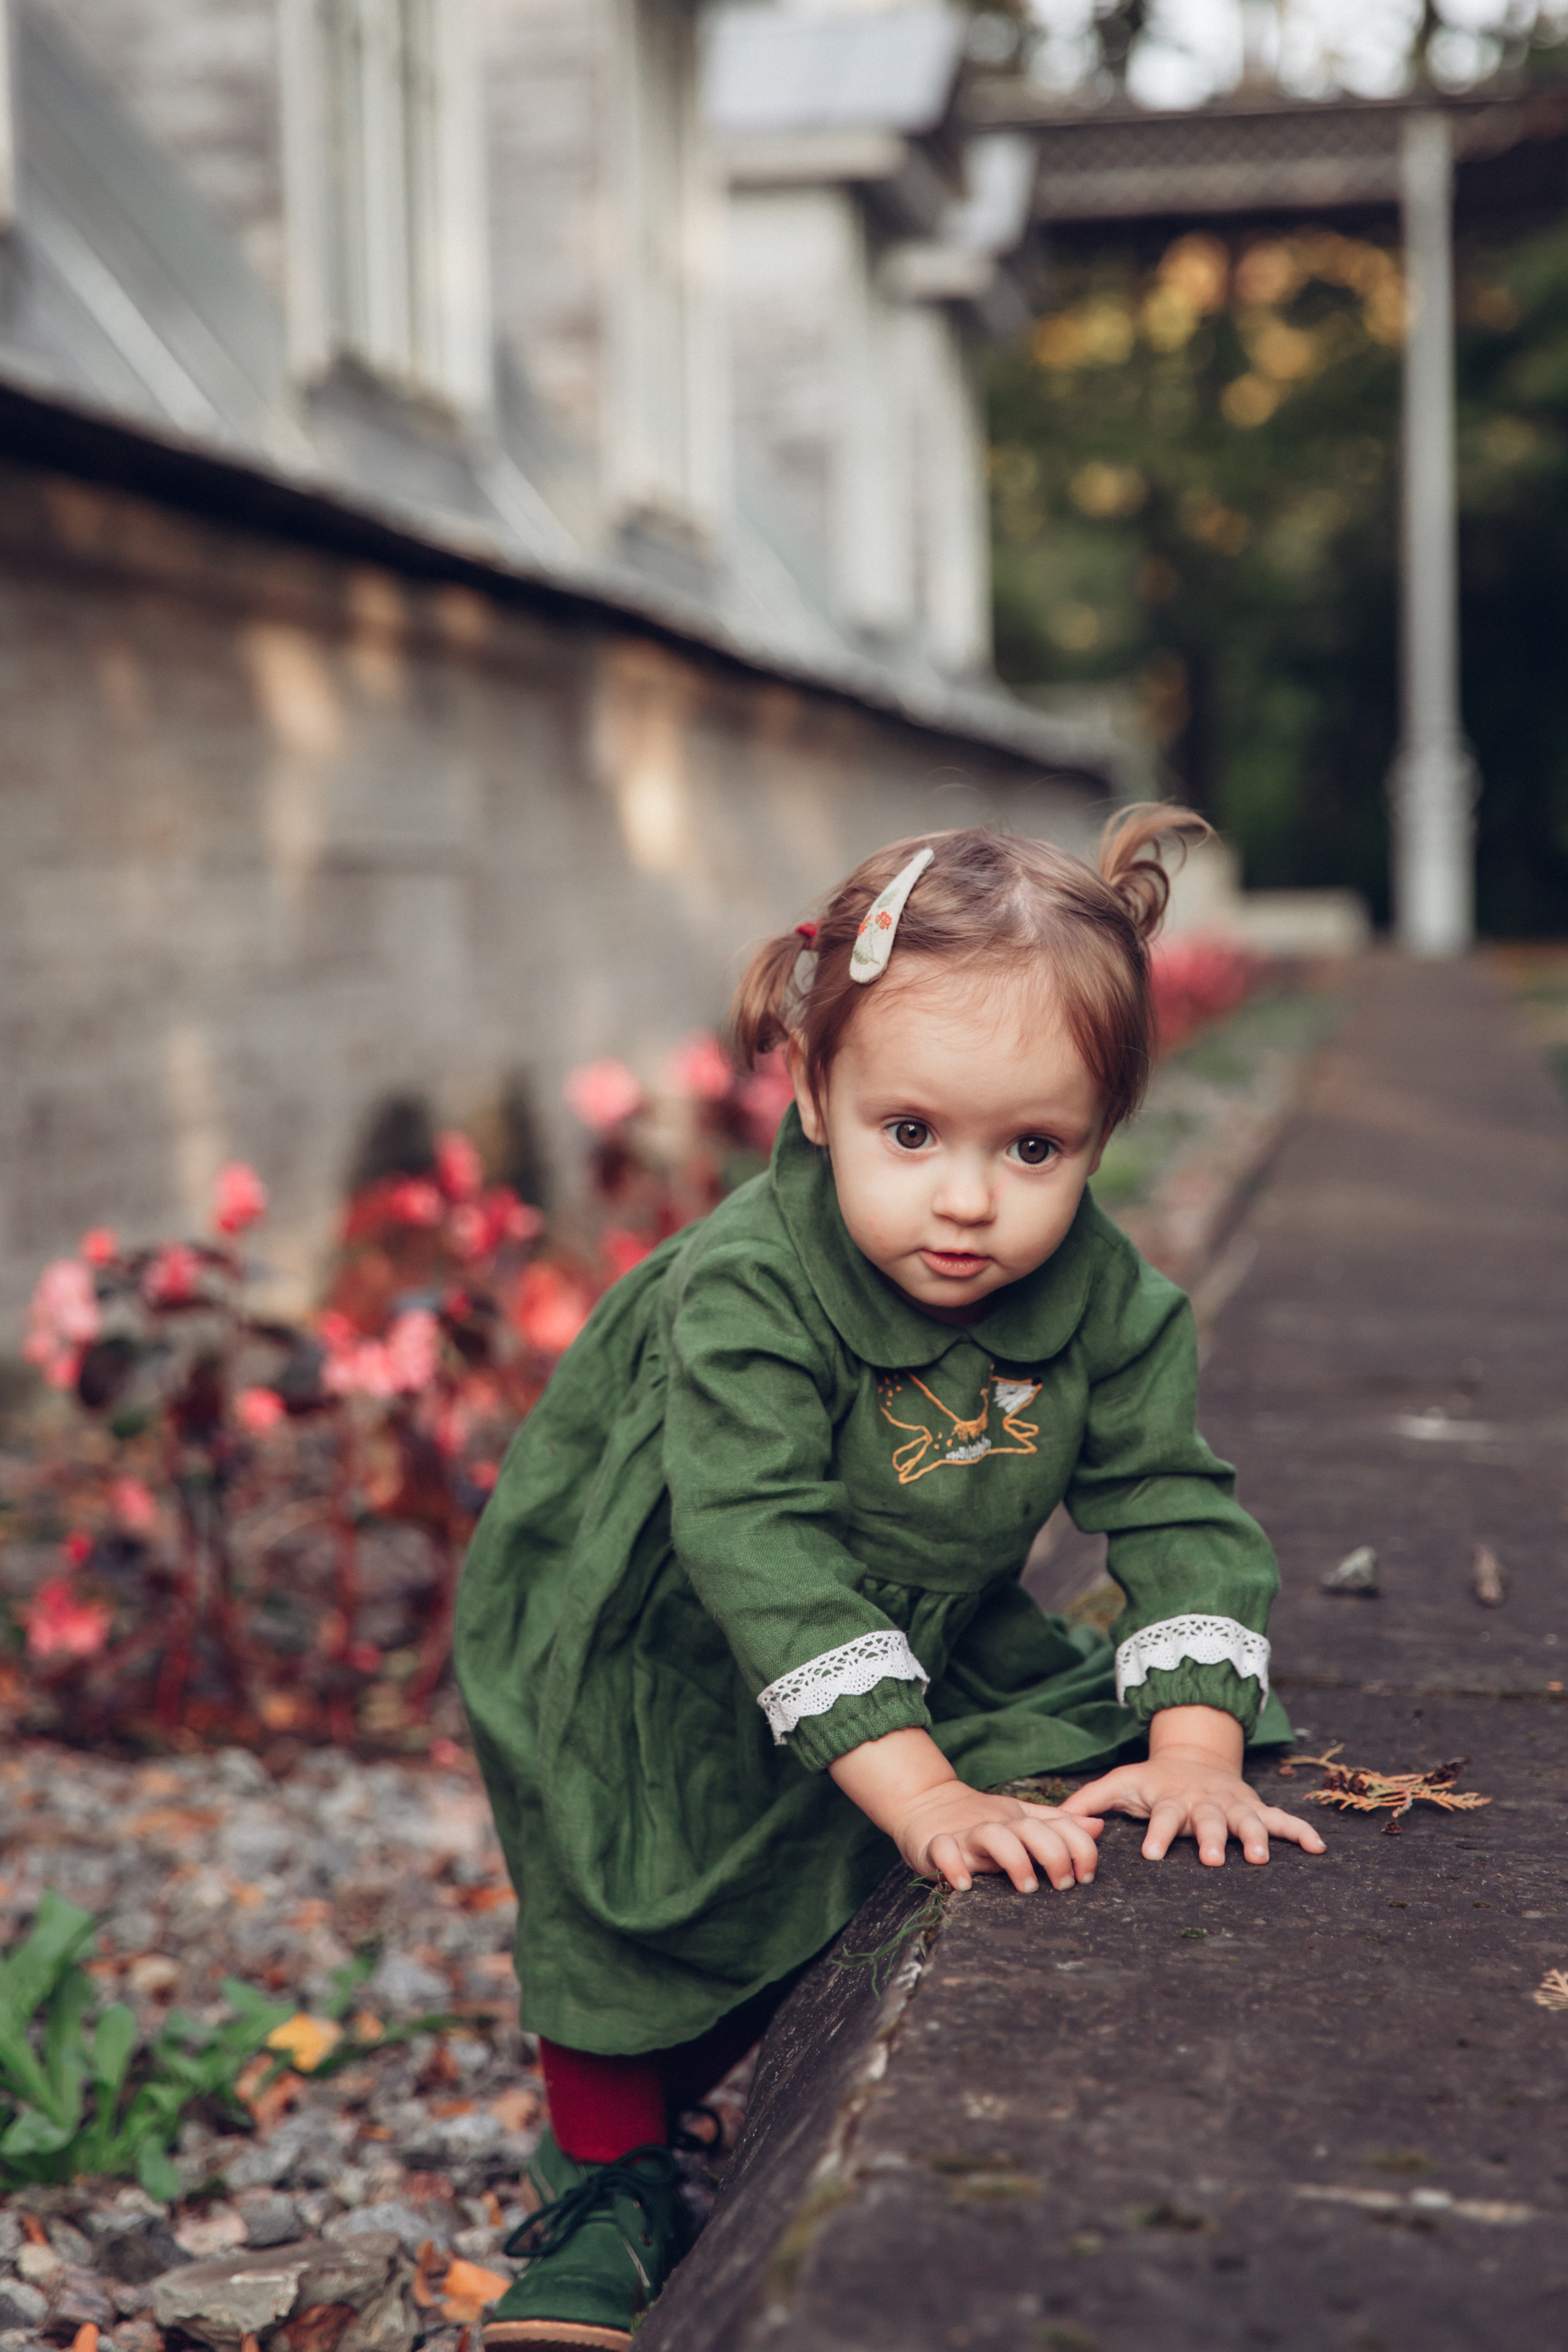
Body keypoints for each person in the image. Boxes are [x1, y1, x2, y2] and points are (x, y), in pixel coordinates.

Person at [457, 811, 1325, 2350]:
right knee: (621, 1882)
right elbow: (757, 1537)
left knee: (1076, 1750)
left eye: (1032, 1149)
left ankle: (732, 2041)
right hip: (667, 1634)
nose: (967, 1202)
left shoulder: (1106, 1303)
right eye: (910, 1133)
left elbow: (1171, 1501)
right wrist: (922, 1797)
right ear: (813, 1095)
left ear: (1099, 1134)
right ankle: (604, 2177)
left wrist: (1192, 1749)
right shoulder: (751, 1288)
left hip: (918, 1621)